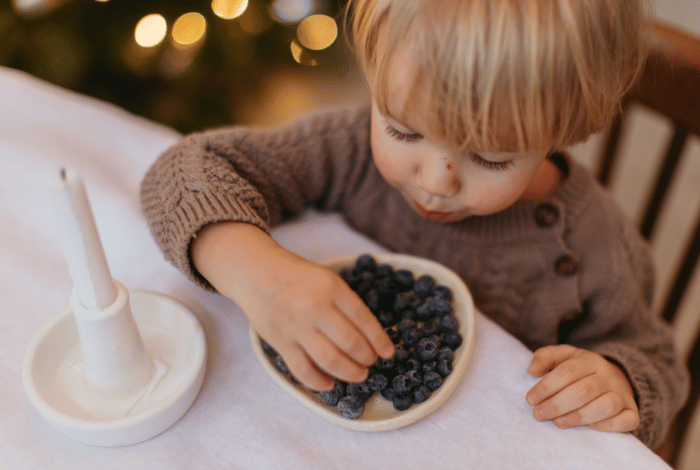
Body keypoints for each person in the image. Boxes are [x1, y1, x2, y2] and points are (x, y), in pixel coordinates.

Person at [140, 0, 689, 449]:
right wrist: (257, 273)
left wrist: (620, 381)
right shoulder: (348, 150)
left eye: (490, 159)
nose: (435, 180)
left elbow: (659, 364)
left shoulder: (593, 246)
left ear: (566, 127)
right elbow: (181, 173)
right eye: (403, 131)